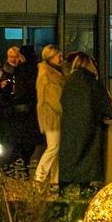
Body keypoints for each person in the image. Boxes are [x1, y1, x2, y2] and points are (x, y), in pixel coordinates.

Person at [57, 52, 112, 187]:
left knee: (69, 162)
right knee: (87, 166)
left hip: (69, 129)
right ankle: (84, 192)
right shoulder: (92, 83)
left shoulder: (69, 82)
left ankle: (63, 192)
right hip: (90, 129)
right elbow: (106, 106)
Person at [0, 44, 39, 172]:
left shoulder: (22, 70)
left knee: (18, 142)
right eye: (11, 56)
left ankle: (13, 167)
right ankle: (16, 166)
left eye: (16, 56)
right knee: (18, 142)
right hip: (15, 109)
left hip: (19, 109)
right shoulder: (5, 70)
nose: (14, 59)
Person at [34, 44, 66, 182]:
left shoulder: (53, 72)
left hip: (52, 115)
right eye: (58, 55)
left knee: (56, 150)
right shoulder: (48, 75)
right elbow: (53, 99)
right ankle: (39, 178)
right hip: (52, 116)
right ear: (51, 57)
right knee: (53, 147)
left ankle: (55, 181)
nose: (61, 58)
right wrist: (65, 112)